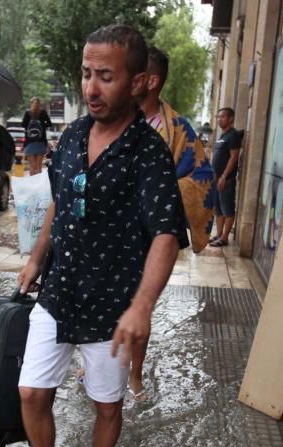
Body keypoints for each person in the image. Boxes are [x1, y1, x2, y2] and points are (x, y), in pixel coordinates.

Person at [10, 25, 188, 447]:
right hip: (59, 290)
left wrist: (141, 306)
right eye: (87, 74)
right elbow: (58, 205)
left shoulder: (147, 153)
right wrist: (36, 257)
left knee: (106, 406)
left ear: (137, 83)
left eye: (105, 76)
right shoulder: (69, 136)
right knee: (30, 392)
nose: (91, 87)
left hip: (113, 306)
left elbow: (166, 235)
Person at [121, 46, 217, 401]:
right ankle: (101, 362)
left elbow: (203, 177)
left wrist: (164, 191)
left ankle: (134, 373)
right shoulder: (115, 117)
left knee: (141, 304)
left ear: (151, 80)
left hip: (151, 237)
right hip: (112, 234)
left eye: (134, 71)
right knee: (106, 300)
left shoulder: (176, 128)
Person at [210, 107, 242, 247]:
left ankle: (224, 238)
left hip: (226, 180)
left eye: (222, 117)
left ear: (231, 119)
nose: (219, 119)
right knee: (218, 209)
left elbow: (234, 157)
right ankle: (218, 234)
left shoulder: (233, 135)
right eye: (218, 117)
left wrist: (224, 176)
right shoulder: (222, 136)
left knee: (228, 209)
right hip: (216, 180)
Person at [21, 97, 53, 175]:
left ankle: (31, 185)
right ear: (40, 104)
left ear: (31, 104)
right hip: (41, 142)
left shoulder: (27, 113)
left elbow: (23, 125)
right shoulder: (43, 113)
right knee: (39, 167)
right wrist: (42, 125)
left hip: (29, 143)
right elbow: (50, 124)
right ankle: (38, 185)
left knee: (32, 166)